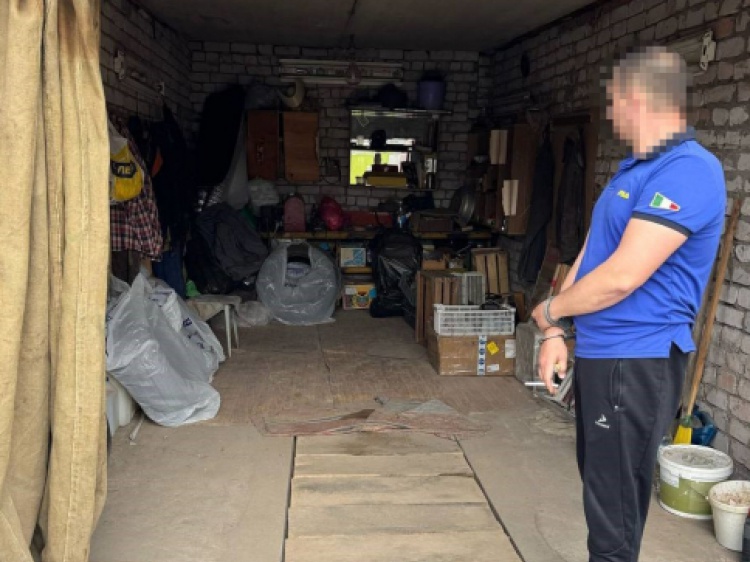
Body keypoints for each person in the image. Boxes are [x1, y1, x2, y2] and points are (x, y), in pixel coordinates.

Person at [531, 47, 727, 562]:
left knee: (613, 514)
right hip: (606, 356)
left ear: (637, 98)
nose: (612, 113)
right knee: (602, 492)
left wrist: (550, 312)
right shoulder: (633, 172)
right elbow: (592, 255)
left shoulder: (689, 171)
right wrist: (554, 328)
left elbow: (621, 277)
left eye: (614, 101)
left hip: (637, 361)